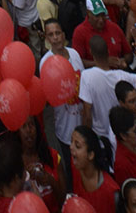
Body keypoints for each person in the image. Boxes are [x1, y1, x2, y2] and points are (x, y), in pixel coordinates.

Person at [79, 33, 136, 144]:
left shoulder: (86, 77)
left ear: (91, 53)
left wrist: (88, 139)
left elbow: (87, 114)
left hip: (101, 137)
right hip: (123, 134)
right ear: (108, 52)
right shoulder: (122, 76)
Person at [39, 19, 83, 180]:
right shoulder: (45, 63)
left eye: (58, 33)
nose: (56, 37)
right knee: (72, 168)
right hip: (64, 129)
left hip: (83, 120)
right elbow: (47, 98)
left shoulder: (75, 54)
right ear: (46, 38)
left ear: (63, 35)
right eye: (51, 34)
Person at [18, 116, 65, 213]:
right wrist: (26, 179)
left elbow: (63, 200)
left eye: (31, 125)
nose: (28, 130)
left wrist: (51, 181)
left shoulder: (53, 156)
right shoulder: (15, 162)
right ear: (18, 132)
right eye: (23, 126)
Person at [69, 126, 119, 213]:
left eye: (77, 146)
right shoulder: (75, 166)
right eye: (71, 142)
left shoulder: (111, 192)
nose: (71, 147)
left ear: (91, 155)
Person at [72, 0, 132, 67]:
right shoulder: (79, 32)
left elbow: (128, 54)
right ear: (88, 13)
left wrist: (122, 61)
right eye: (97, 16)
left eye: (103, 15)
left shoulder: (114, 28)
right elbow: (78, 61)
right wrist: (103, 63)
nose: (101, 20)